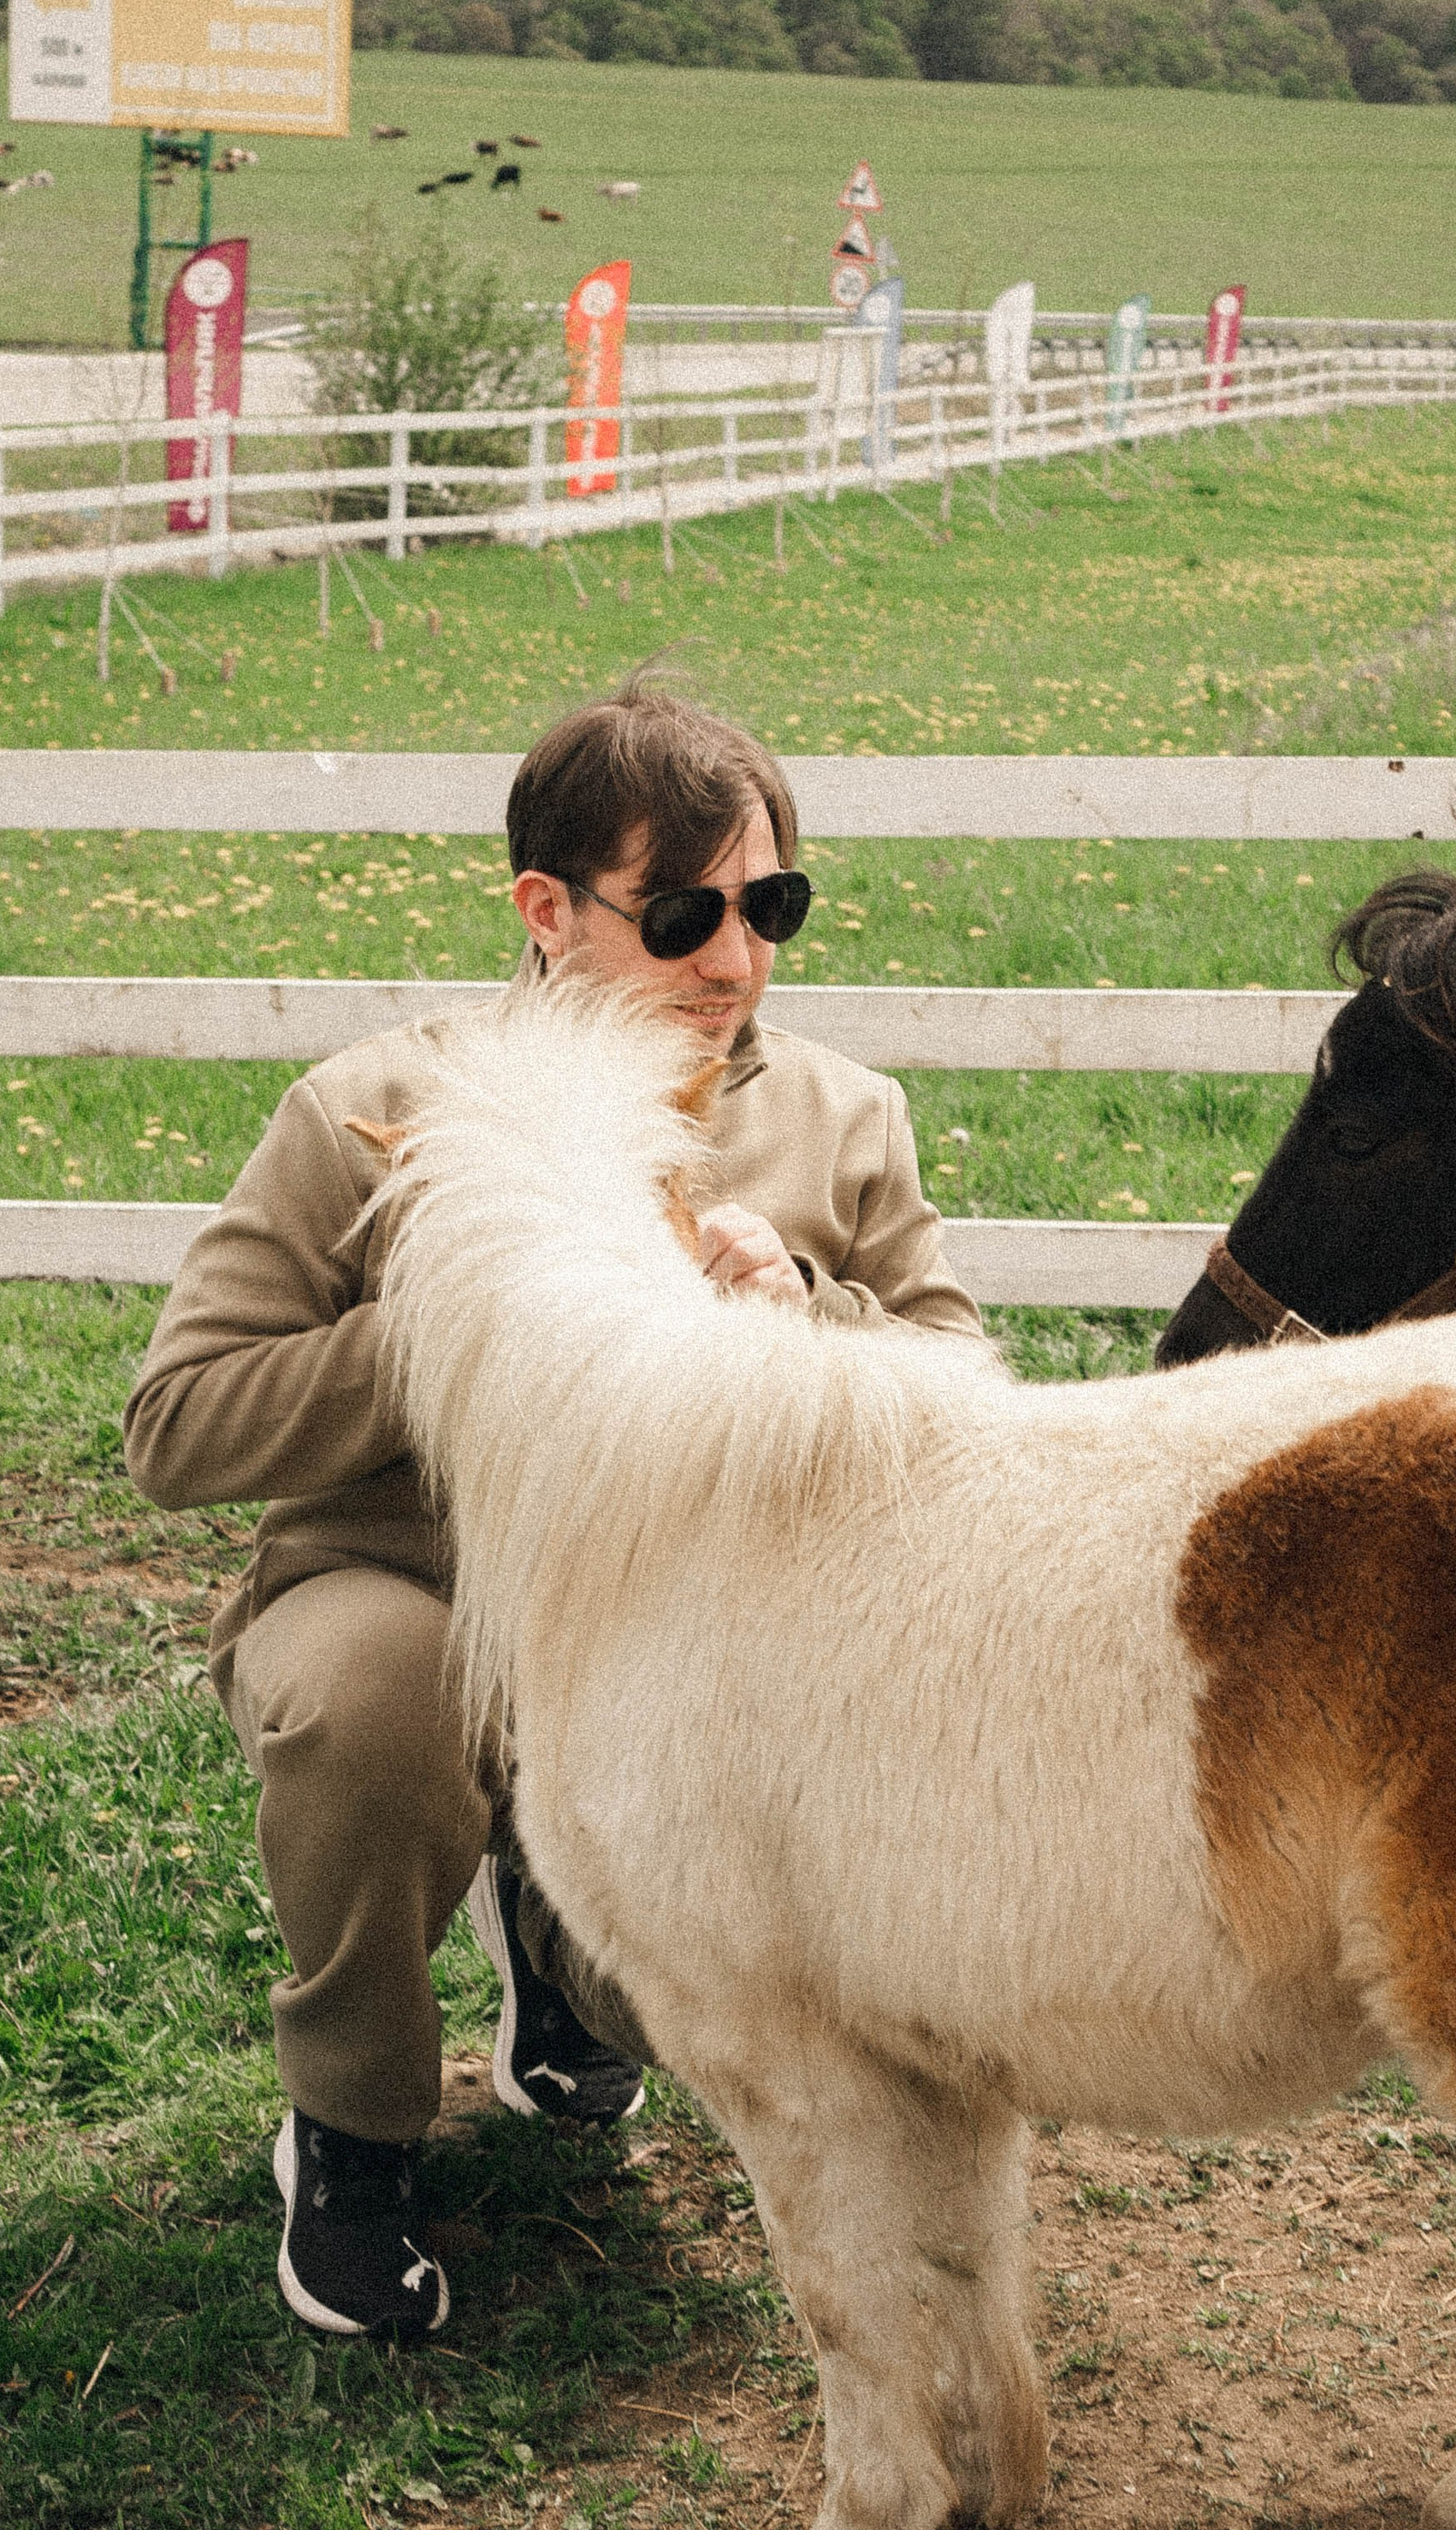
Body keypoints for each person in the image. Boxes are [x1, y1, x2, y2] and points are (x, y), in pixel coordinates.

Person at [124, 685, 983, 2342]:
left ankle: (568, 1960)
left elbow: (957, 1384)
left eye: (770, 908)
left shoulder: (839, 1119)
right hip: (409, 1593)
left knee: (709, 2013)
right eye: (681, 916)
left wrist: (803, 1304)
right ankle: (355, 2132)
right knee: (375, 1702)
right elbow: (173, 1429)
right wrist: (452, 1311)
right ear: (544, 909)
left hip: (697, 1636)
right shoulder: (367, 1106)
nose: (734, 962)